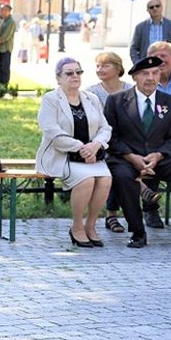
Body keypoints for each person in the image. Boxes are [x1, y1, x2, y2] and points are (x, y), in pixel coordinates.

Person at [103, 55, 171, 251]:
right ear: (135, 77)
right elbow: (111, 137)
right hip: (126, 158)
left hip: (160, 158)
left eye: (155, 73)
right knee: (122, 177)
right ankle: (138, 232)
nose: (151, 78)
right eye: (145, 73)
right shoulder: (116, 101)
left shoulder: (169, 102)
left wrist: (158, 155)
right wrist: (131, 157)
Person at [35, 58, 113, 247]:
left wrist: (95, 145)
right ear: (58, 78)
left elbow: (105, 128)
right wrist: (81, 147)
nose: (75, 76)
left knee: (105, 179)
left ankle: (91, 225)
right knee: (86, 180)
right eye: (69, 73)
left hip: (92, 156)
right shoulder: (51, 99)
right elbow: (52, 132)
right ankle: (77, 226)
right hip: (62, 156)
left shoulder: (91, 98)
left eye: (78, 72)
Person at [85, 51, 133, 234]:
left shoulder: (130, 89)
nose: (100, 69)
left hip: (127, 140)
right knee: (112, 164)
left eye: (105, 65)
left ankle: (146, 209)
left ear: (118, 68)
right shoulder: (91, 92)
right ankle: (112, 214)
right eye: (98, 66)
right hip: (101, 142)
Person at [0, 3, 16, 88]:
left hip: (6, 48)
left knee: (4, 67)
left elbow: (6, 36)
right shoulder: (2, 20)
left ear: (8, 11)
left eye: (3, 10)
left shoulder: (11, 22)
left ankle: (4, 85)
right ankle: (0, 83)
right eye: (1, 10)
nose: (1, 12)